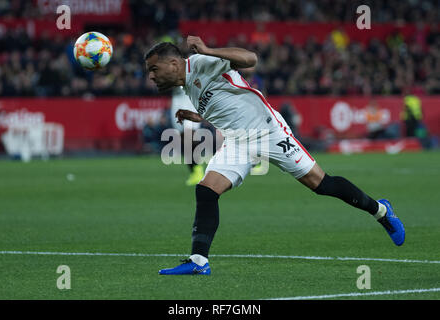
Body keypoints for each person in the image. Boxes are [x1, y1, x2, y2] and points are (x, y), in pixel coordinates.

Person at [144, 37, 405, 276]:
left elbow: (251, 59)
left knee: (321, 184)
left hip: (268, 131)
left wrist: (209, 49)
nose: (151, 76)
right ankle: (199, 261)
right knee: (206, 190)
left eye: (154, 69)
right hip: (238, 142)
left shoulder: (201, 61)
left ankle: (382, 211)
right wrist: (199, 116)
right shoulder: (189, 86)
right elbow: (226, 102)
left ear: (174, 63)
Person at [170, 86, 205, 186]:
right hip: (176, 98)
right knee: (182, 137)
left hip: (188, 97)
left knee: (189, 135)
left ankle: (198, 169)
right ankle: (194, 171)